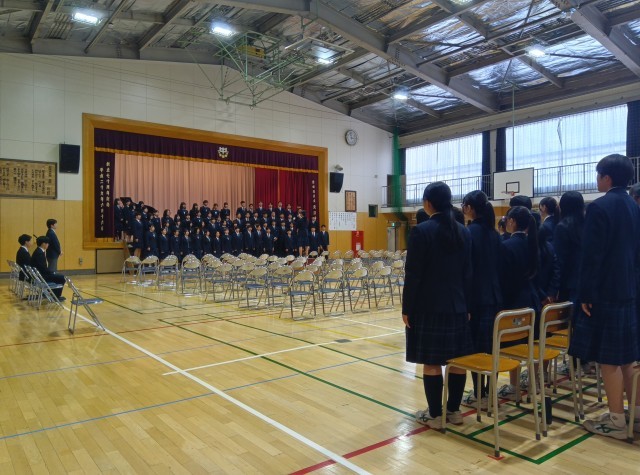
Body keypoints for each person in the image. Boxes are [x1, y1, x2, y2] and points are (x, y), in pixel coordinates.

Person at [569, 154, 640, 439]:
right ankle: (635, 415)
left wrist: (586, 293)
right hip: (629, 290)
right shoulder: (634, 206)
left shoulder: (599, 207)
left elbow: (592, 256)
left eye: (598, 175)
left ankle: (616, 421)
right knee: (629, 359)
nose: (597, 180)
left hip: (606, 293)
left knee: (609, 360)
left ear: (606, 177)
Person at [403, 182, 473, 428]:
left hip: (428, 306)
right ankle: (454, 412)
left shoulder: (421, 231)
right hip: (458, 305)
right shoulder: (464, 231)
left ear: (428, 203)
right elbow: (468, 274)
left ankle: (435, 415)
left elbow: (413, 274)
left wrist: (407, 308)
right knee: (457, 361)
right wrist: (468, 305)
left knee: (432, 362)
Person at [460, 190, 502, 409]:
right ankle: (490, 393)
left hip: (476, 299)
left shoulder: (469, 233)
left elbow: (466, 271)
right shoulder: (494, 234)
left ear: (469, 208)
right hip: (495, 298)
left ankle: (479, 395)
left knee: (476, 349)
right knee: (491, 348)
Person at [498, 205, 540, 399]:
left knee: (512, 346)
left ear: (512, 221)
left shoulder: (507, 246)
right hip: (532, 300)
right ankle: (533, 382)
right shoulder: (533, 243)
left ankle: (514, 386)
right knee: (531, 343)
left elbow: (503, 278)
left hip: (514, 301)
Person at [553, 191, 584, 302]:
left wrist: (554, 288)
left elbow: (559, 260)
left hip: (568, 283)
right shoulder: (588, 224)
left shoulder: (562, 227)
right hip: (585, 280)